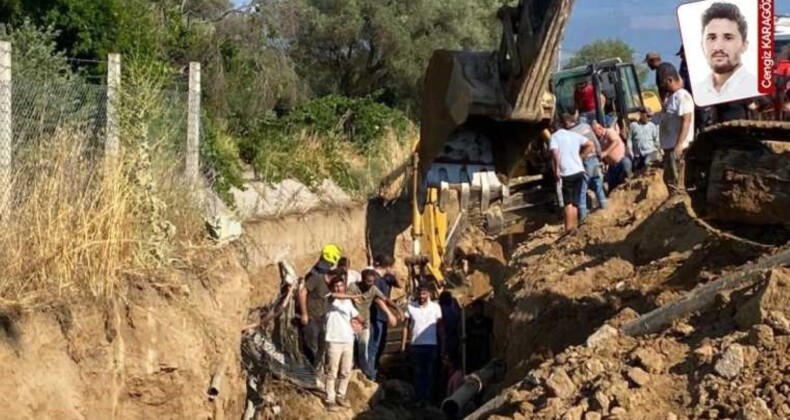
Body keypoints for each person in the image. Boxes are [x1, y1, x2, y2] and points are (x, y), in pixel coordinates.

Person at [693, 2, 758, 107]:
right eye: (712, 38)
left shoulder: (754, 87)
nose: (718, 47)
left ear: (744, 45)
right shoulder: (697, 92)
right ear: (702, 45)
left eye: (728, 38)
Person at [347, 269, 400, 379]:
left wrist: (396, 309)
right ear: (363, 280)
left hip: (364, 323)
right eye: (368, 281)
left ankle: (364, 374)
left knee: (363, 348)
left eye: (372, 281)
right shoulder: (353, 287)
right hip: (351, 322)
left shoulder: (373, 289)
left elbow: (384, 299)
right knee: (350, 348)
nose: (371, 284)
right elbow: (345, 301)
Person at [323, 276, 365, 412]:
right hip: (333, 339)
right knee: (332, 371)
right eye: (336, 286)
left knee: (346, 370)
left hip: (348, 339)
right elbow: (334, 295)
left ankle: (340, 394)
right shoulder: (330, 299)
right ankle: (330, 398)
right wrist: (354, 296)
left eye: (341, 285)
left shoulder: (348, 303)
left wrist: (360, 323)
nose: (339, 288)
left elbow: (358, 317)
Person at [298, 244, 342, 369]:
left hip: (322, 318)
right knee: (311, 346)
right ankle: (309, 371)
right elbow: (302, 292)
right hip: (311, 318)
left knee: (321, 346)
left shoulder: (328, 284)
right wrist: (304, 314)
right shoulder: (317, 278)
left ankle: (316, 370)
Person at [400, 283, 443, 405]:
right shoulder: (410, 307)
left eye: (424, 293)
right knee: (418, 374)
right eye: (420, 293)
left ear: (428, 294)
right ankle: (419, 399)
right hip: (416, 345)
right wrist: (403, 346)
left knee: (430, 373)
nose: (421, 296)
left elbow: (440, 327)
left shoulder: (436, 307)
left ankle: (428, 400)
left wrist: (442, 344)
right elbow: (405, 327)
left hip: (431, 344)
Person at [549, 118, 594, 232]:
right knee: (575, 203)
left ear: (552, 128)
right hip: (579, 171)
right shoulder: (573, 135)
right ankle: (574, 228)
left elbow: (555, 153)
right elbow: (590, 144)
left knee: (567, 203)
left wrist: (557, 170)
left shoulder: (554, 137)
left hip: (566, 173)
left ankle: (568, 230)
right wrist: (581, 157)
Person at [658, 63, 695, 195]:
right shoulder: (671, 98)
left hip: (677, 147)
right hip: (669, 147)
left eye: (663, 83)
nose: (663, 86)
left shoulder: (682, 96)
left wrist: (679, 144)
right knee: (669, 179)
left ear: (669, 80)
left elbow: (686, 120)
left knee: (677, 182)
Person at [565, 111, 606, 222]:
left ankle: (583, 218)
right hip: (594, 159)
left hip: (584, 162)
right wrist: (599, 156)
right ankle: (604, 208)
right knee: (598, 185)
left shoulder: (570, 133)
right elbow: (596, 143)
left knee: (581, 190)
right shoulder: (586, 126)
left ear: (566, 122)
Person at [367, 254, 402, 381]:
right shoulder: (375, 278)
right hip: (376, 316)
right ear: (388, 266)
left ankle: (375, 371)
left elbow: (400, 285)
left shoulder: (386, 278)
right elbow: (377, 299)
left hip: (382, 317)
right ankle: (370, 374)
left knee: (380, 345)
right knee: (374, 346)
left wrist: (395, 274)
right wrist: (389, 313)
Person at [591, 120, 632, 193]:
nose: (595, 135)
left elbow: (615, 142)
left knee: (626, 175)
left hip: (623, 159)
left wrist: (605, 153)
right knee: (612, 187)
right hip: (612, 165)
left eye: (595, 132)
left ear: (600, 128)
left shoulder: (609, 131)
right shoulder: (598, 141)